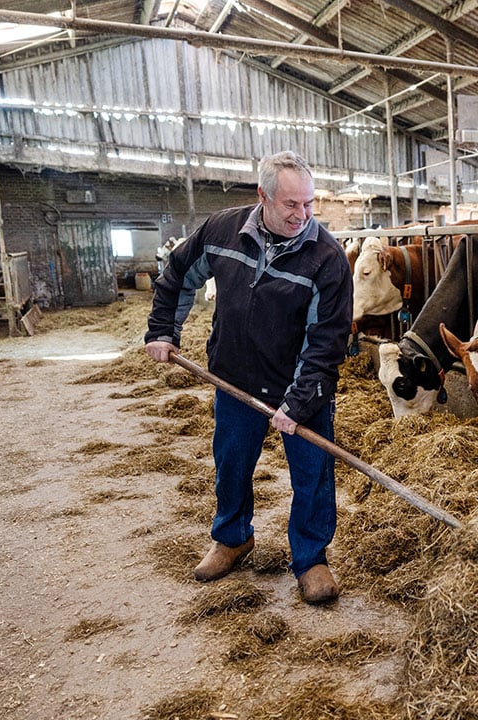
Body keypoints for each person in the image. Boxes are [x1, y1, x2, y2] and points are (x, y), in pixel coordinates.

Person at [144, 151, 353, 605]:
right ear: (263, 196)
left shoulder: (327, 258)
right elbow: (177, 275)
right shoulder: (222, 230)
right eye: (291, 205)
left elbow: (327, 342)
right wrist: (163, 330)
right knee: (232, 463)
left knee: (312, 475)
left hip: (301, 386)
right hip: (234, 378)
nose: (303, 215)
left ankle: (311, 558)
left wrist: (297, 404)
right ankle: (233, 537)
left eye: (309, 204)